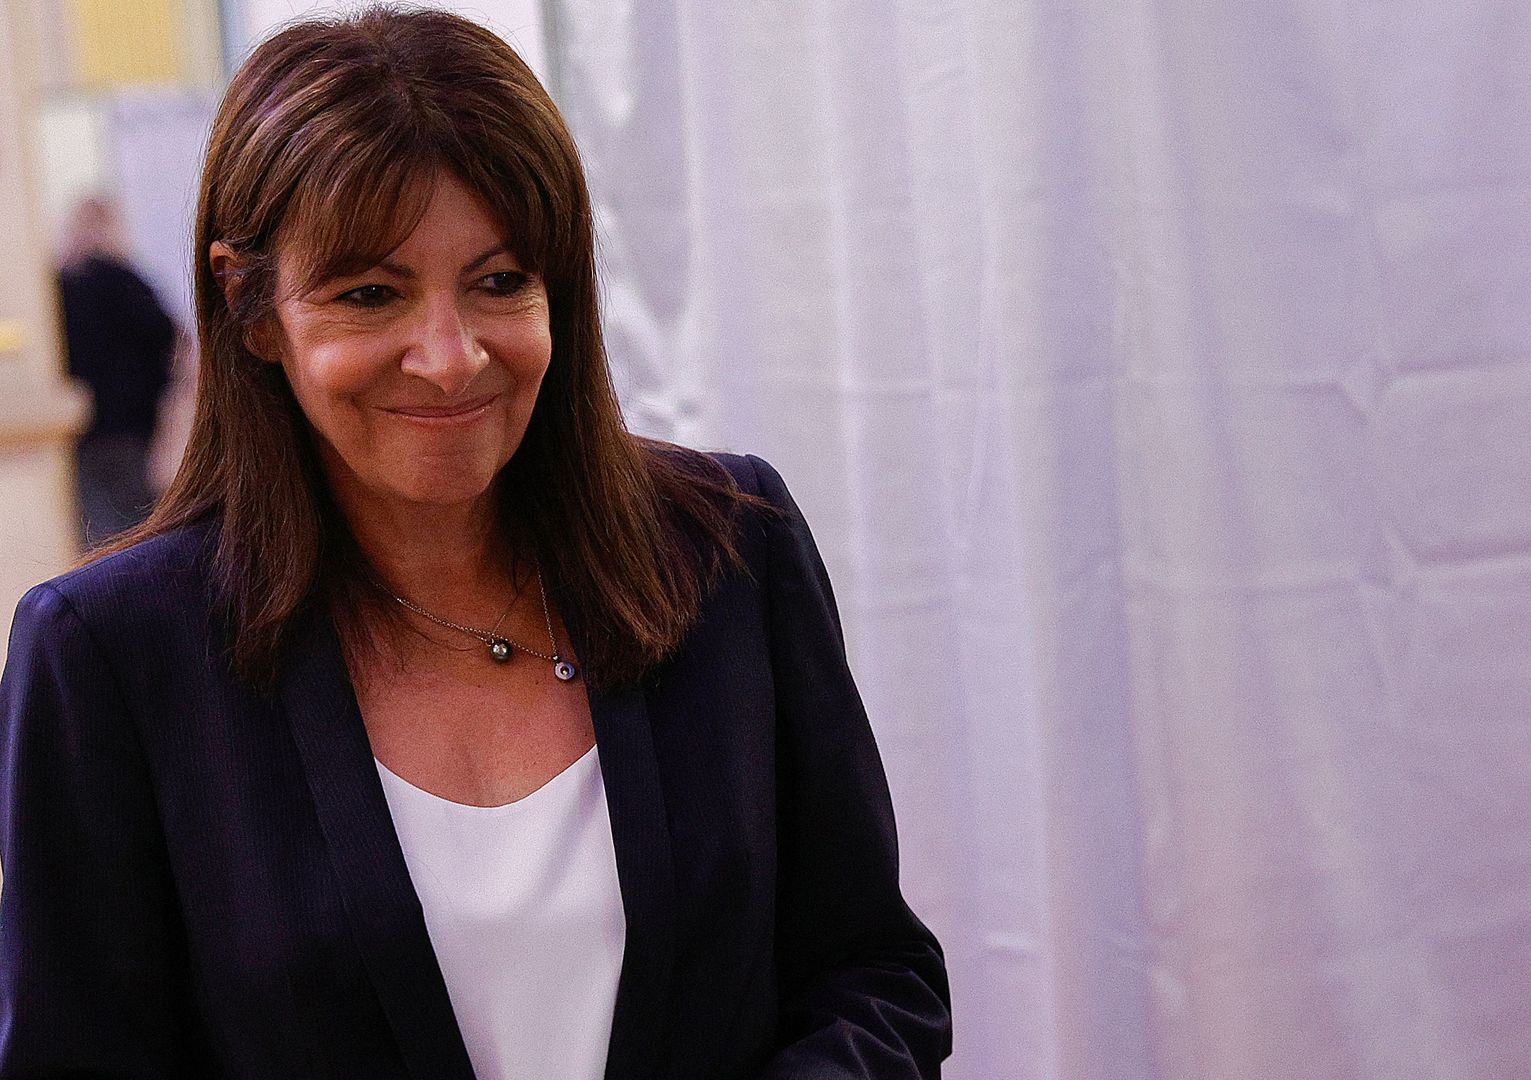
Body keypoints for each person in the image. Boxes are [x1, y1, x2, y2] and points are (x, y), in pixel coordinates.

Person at [0, 8, 950, 1079]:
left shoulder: (725, 549)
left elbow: (873, 978)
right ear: (251, 305)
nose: (450, 359)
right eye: (370, 293)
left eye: (500, 282)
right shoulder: (111, 656)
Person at [56, 196, 177, 546]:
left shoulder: (60, 288)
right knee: (138, 530)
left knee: (94, 532)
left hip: (83, 429)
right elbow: (168, 342)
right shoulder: (131, 283)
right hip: (131, 429)